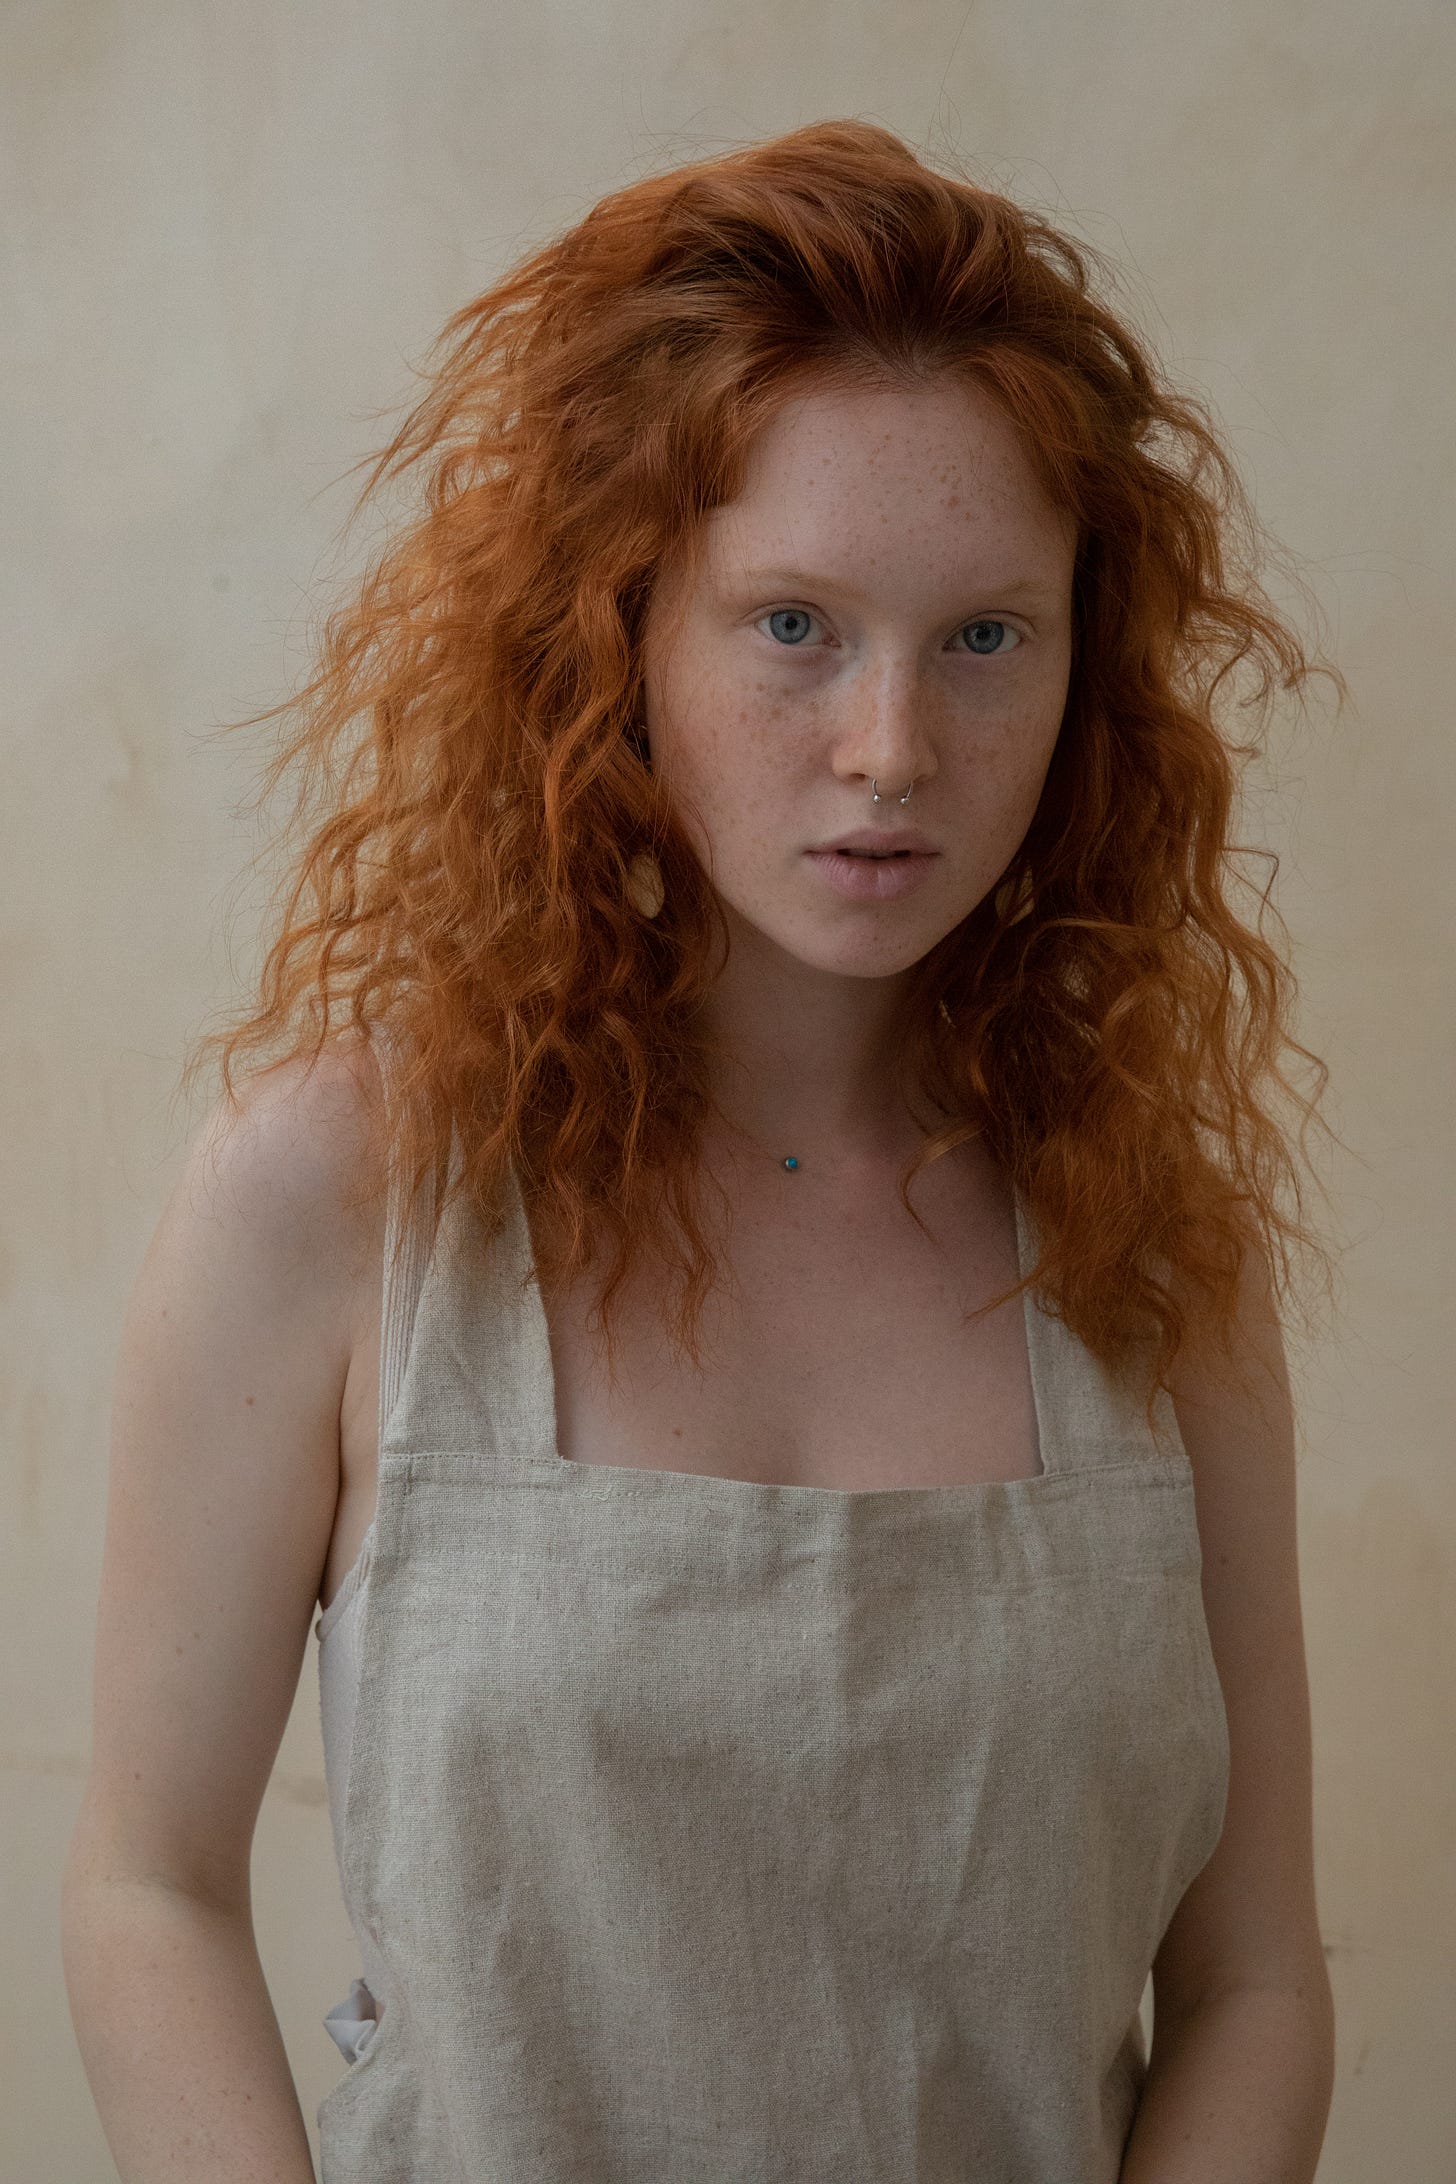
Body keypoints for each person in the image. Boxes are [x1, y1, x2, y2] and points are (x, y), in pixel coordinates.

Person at [61, 119, 1341, 2182]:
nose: (889, 748)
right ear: (620, 630)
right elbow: (146, 1895)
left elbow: (1253, 1984)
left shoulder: (1146, 1244)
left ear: (1082, 664)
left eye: (984, 637)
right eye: (790, 626)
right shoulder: (336, 1197)